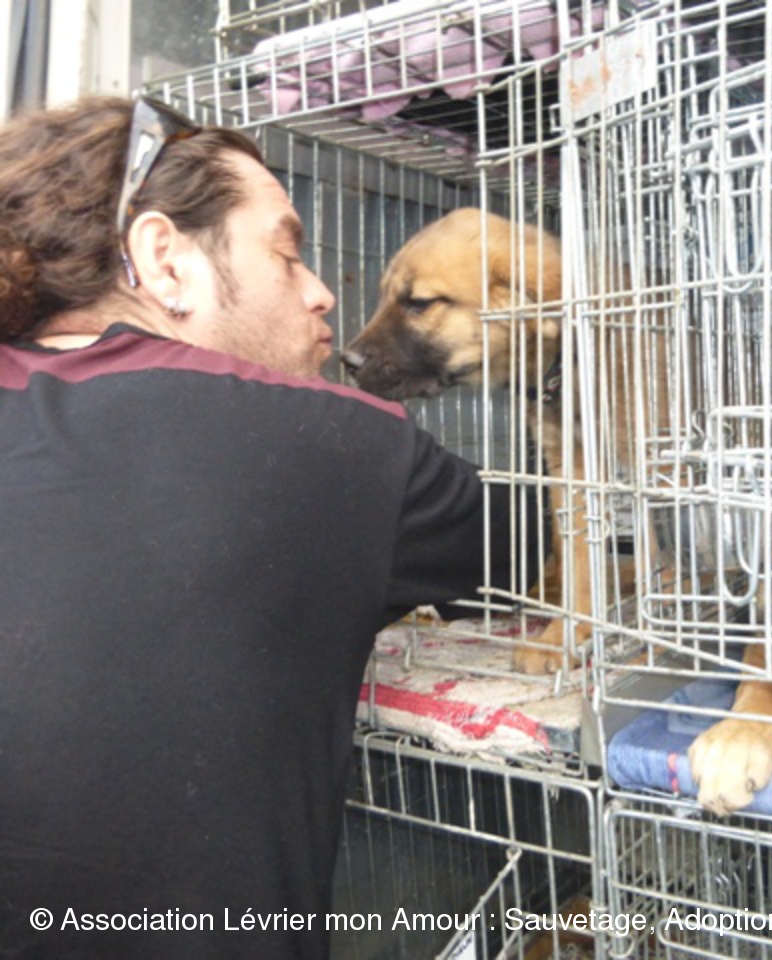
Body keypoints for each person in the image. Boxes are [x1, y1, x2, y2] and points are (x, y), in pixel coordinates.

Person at [0, 96, 526, 959]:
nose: (323, 292)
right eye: (287, 252)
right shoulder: (331, 438)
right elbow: (534, 551)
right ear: (164, 260)